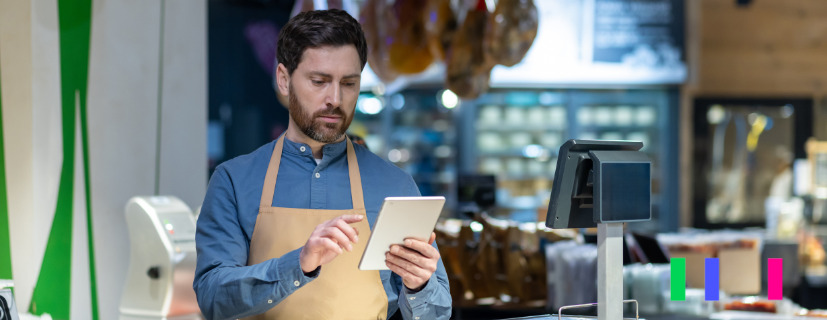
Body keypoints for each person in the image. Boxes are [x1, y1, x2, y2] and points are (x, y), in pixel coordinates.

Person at [193, 9, 452, 320]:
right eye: (319, 81)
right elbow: (212, 297)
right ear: (284, 80)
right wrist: (298, 263)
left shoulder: (395, 186)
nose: (335, 98)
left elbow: (437, 314)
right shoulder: (234, 181)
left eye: (349, 83)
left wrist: (419, 285)